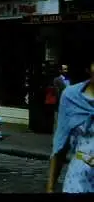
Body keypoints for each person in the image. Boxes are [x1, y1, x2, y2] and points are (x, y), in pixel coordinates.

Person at [46, 60, 94, 193]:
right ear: (88, 68)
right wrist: (50, 188)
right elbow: (60, 143)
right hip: (78, 180)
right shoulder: (71, 96)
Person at [53, 64, 70, 131]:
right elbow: (57, 92)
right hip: (60, 103)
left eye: (67, 69)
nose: (66, 71)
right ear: (60, 70)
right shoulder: (57, 80)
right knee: (58, 122)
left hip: (69, 104)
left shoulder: (70, 79)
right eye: (65, 69)